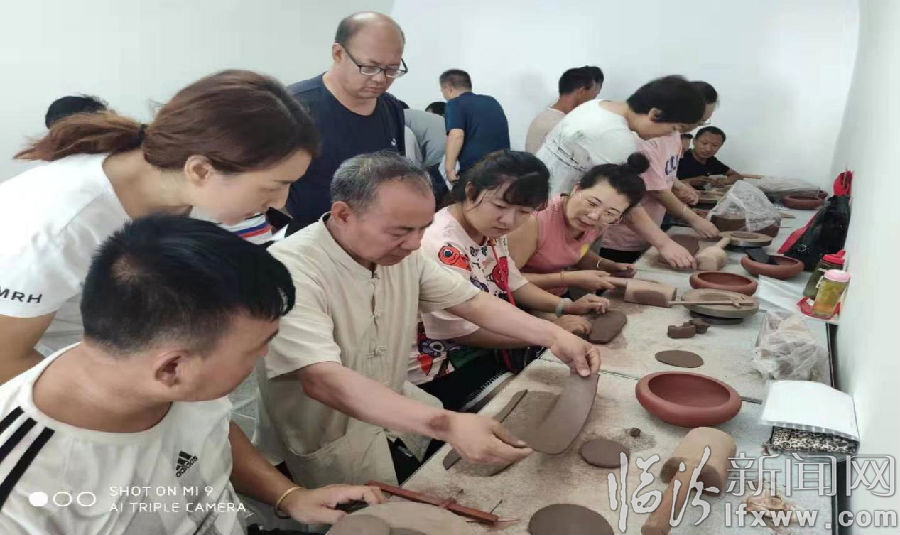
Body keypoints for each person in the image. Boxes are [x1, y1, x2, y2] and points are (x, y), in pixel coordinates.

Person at [0, 215, 384, 535]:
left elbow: (210, 432)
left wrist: (289, 496)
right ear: (171, 368)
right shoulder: (24, 490)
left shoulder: (166, 375)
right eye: (256, 349)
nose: (264, 356)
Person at [254, 151, 601, 488]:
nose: (414, 243)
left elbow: (471, 301)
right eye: (400, 231)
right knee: (359, 510)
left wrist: (553, 335)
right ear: (344, 214)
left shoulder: (403, 255)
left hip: (395, 404)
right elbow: (322, 380)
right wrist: (446, 424)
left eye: (423, 228)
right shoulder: (288, 272)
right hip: (330, 428)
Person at [0, 70, 319, 383]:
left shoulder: (187, 189)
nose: (279, 202)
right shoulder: (59, 228)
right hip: (59, 377)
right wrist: (120, 403)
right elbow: (7, 361)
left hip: (133, 359)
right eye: (273, 186)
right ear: (201, 170)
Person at [411, 151, 609, 411]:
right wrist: (550, 331)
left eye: (523, 212)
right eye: (500, 206)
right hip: (438, 362)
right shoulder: (441, 244)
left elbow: (511, 281)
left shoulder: (489, 230)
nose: (509, 220)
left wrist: (566, 307)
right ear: (471, 191)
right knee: (521, 405)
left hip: (483, 340)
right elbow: (460, 330)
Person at [535, 75, 705, 268]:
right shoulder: (615, 137)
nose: (670, 135)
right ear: (655, 114)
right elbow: (625, 201)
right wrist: (664, 244)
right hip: (553, 220)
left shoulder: (596, 106)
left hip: (548, 207)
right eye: (674, 128)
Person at [284, 12, 408, 228]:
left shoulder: (391, 108)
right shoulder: (293, 107)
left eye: (392, 69)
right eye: (369, 67)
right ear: (338, 53)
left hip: (370, 237)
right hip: (307, 238)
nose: (380, 78)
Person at [598, 81, 723, 262]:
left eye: (703, 121)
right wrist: (692, 219)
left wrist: (678, 186)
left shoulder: (674, 134)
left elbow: (663, 172)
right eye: (698, 119)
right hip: (624, 235)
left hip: (652, 230)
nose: (698, 124)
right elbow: (657, 190)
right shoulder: (645, 138)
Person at [508, 154, 649, 295]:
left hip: (555, 295)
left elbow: (575, 252)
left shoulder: (598, 224)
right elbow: (505, 279)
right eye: (592, 203)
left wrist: (606, 265)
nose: (594, 216)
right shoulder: (534, 222)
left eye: (610, 213)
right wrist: (568, 279)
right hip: (519, 300)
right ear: (577, 189)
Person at [440, 69, 510, 182]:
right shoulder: (491, 101)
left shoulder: (455, 103)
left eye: (442, 91)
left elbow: (456, 135)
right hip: (504, 165)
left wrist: (449, 169)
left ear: (449, 89)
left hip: (477, 170)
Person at [525, 67, 601, 153]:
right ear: (582, 92)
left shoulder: (545, 116)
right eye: (593, 96)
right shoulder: (561, 125)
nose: (592, 101)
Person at [678, 126, 761, 183]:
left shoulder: (711, 161)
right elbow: (669, 186)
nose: (708, 149)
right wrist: (689, 181)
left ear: (720, 146)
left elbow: (737, 176)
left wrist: (724, 181)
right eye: (704, 143)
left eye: (714, 145)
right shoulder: (680, 157)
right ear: (694, 142)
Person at [403, 108, 448, 200]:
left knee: (429, 196)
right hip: (450, 149)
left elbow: (410, 159)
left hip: (438, 154)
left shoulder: (394, 120)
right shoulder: (409, 115)